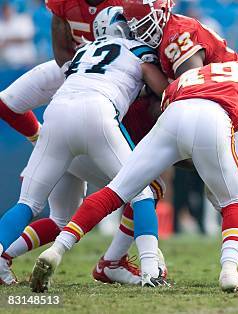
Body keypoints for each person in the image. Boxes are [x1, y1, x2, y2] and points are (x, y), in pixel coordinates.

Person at [31, 59, 238, 293]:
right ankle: (228, 272)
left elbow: (170, 115)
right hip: (213, 117)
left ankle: (58, 249)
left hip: (174, 115)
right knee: (233, 201)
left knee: (116, 191)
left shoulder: (204, 72)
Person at [121, 0, 238, 290]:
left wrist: (154, 82)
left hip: (229, 107)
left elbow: (193, 86)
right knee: (224, 193)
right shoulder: (166, 36)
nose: (139, 29)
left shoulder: (178, 34)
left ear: (162, 13)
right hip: (218, 111)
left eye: (145, 20)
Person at [0, 6, 167, 291]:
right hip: (98, 114)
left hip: (55, 116)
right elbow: (162, 90)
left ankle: (2, 259)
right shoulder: (140, 51)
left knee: (28, 203)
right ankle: (151, 268)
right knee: (142, 192)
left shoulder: (81, 52)